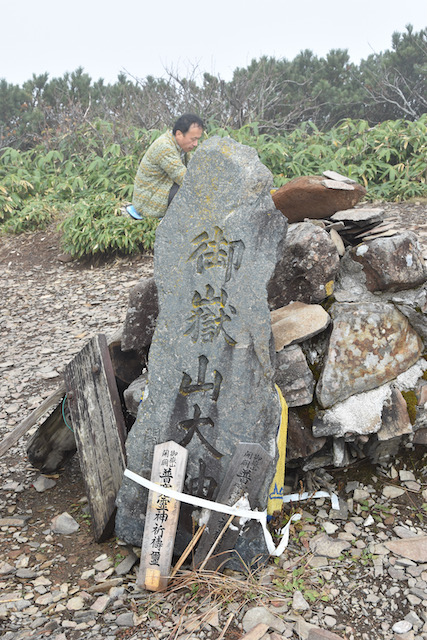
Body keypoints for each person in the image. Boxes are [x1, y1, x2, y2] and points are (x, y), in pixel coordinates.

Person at [131, 113, 204, 219]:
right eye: (193, 139)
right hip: (148, 201)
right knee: (190, 195)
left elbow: (193, 169)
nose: (195, 144)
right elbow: (184, 178)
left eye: (197, 139)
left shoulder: (180, 146)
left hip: (162, 188)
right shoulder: (165, 147)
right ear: (179, 134)